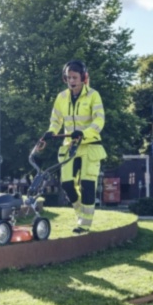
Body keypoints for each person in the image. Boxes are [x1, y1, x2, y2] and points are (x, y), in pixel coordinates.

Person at [43, 60, 106, 234]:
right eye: (68, 77)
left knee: (87, 184)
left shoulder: (94, 95)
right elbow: (56, 120)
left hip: (89, 145)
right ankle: (80, 213)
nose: (71, 81)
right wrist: (51, 132)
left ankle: (84, 225)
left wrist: (84, 133)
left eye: (75, 77)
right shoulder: (62, 97)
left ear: (83, 77)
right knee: (67, 184)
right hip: (69, 145)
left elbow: (99, 120)